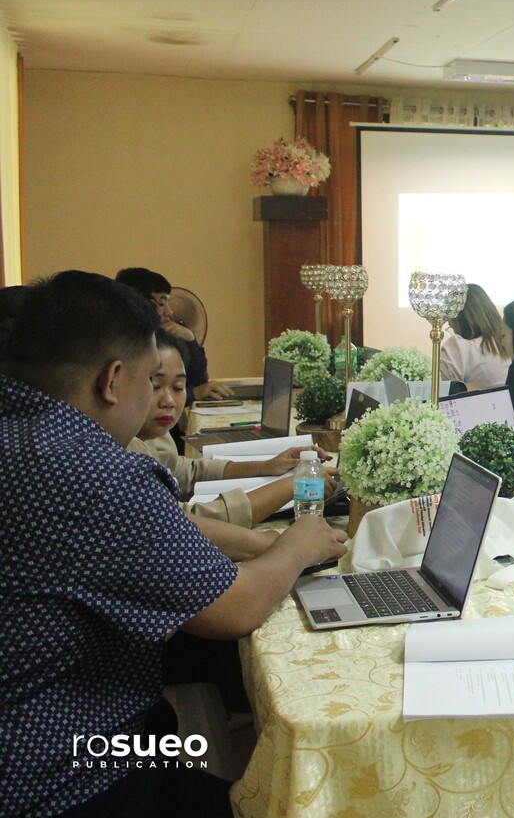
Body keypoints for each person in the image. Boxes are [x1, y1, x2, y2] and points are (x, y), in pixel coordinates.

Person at [0, 271, 346, 818]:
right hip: (63, 770)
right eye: (149, 380)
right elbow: (237, 606)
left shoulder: (25, 432)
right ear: (113, 380)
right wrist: (299, 544)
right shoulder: (88, 469)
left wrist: (260, 546)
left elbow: (168, 526)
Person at [129, 332, 306, 540]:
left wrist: (265, 466)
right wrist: (295, 485)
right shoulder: (118, 454)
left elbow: (186, 471)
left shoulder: (152, 433)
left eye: (178, 387)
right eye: (155, 386)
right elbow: (179, 523)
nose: (168, 401)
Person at [115, 266, 233, 400]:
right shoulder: (125, 347)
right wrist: (194, 394)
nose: (169, 312)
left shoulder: (167, 340)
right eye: (161, 303)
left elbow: (200, 382)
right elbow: (143, 398)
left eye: (168, 303)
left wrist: (190, 340)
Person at [438, 283, 512, 388]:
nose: (448, 323)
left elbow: (441, 390)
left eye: (450, 315)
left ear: (461, 316)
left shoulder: (459, 347)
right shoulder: (507, 343)